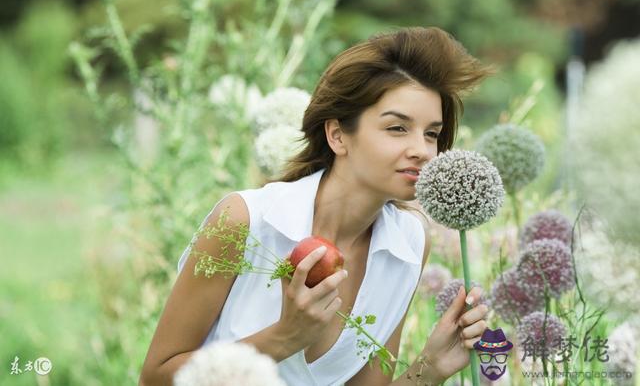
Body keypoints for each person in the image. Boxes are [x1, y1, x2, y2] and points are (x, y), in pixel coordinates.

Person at [140, 26, 493, 386]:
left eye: (431, 133)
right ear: (338, 135)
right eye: (397, 128)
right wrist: (283, 338)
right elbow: (154, 378)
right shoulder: (245, 221)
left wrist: (429, 368)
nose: (422, 149)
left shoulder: (410, 242)